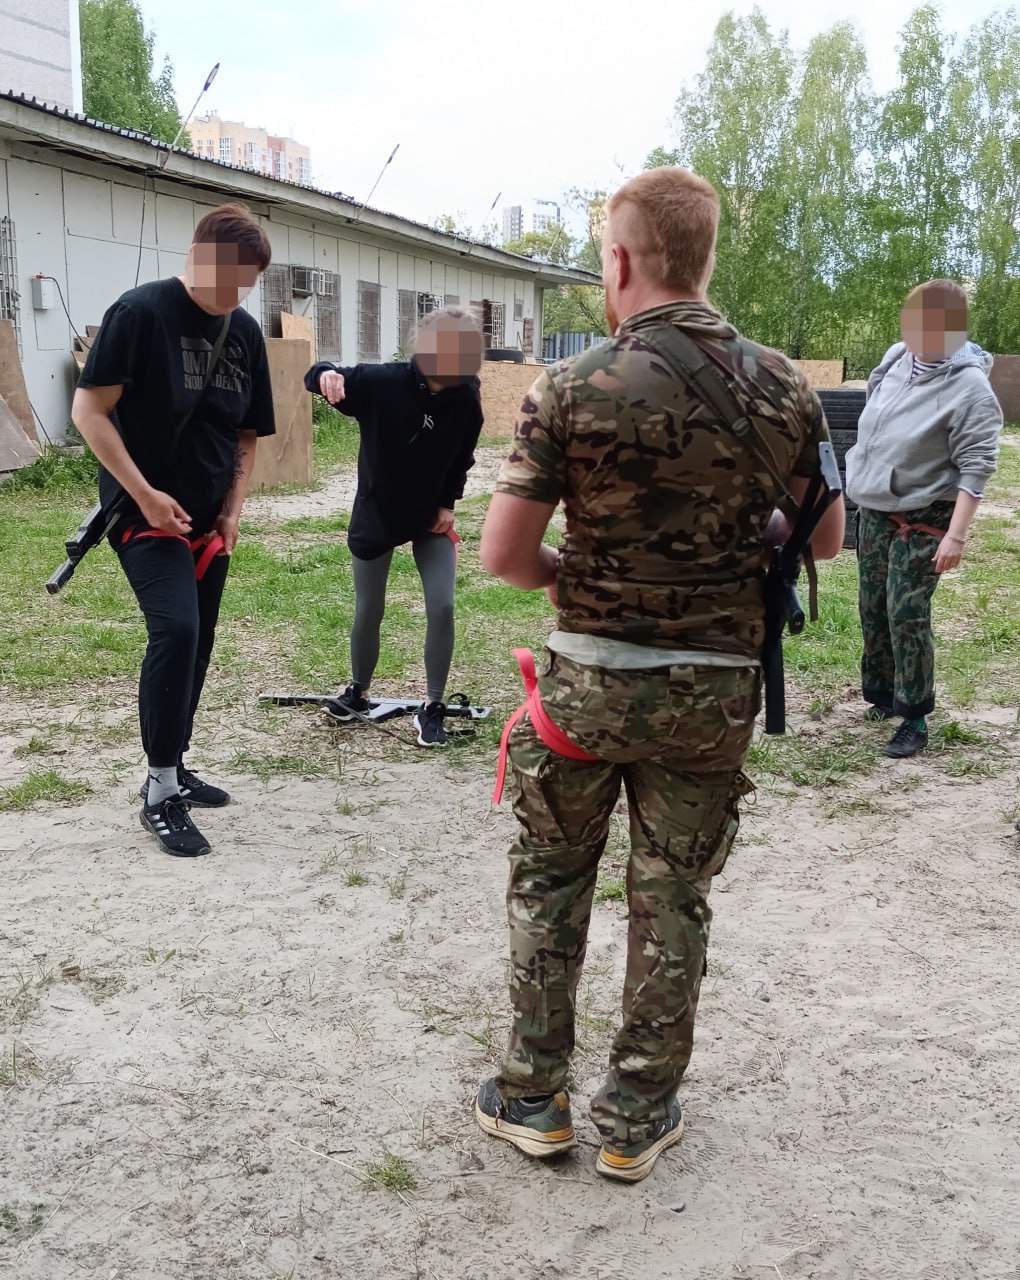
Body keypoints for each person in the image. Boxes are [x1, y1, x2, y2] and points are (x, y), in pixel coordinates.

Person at [472, 167, 845, 1183]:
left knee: (552, 878)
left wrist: (568, 579)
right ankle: (636, 1114)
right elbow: (828, 534)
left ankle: (532, 1095)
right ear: (705, 257)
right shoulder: (785, 385)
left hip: (585, 692)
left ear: (623, 260)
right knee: (672, 895)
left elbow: (503, 554)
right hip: (713, 692)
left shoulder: (570, 385)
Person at [72, 202, 275, 858]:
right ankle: (160, 789)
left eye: (246, 284)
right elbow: (89, 411)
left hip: (209, 521)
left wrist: (233, 510)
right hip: (144, 515)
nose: (236, 294)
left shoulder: (242, 332)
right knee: (176, 629)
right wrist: (144, 495)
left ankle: (176, 761)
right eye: (229, 278)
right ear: (197, 255)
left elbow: (246, 437)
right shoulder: (141, 313)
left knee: (200, 640)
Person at [303, 306, 484, 747]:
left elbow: (463, 455)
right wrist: (326, 374)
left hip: (428, 517)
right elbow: (319, 374)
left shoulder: (467, 397)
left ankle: (433, 706)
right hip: (378, 514)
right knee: (370, 609)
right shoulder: (384, 383)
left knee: (441, 606)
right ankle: (358, 693)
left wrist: (447, 503)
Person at [845, 280, 1001, 758]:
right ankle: (884, 695)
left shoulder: (970, 387)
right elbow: (875, 406)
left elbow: (976, 467)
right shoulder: (895, 358)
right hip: (875, 509)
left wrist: (955, 537)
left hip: (924, 518)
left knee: (906, 613)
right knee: (872, 606)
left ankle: (914, 716)